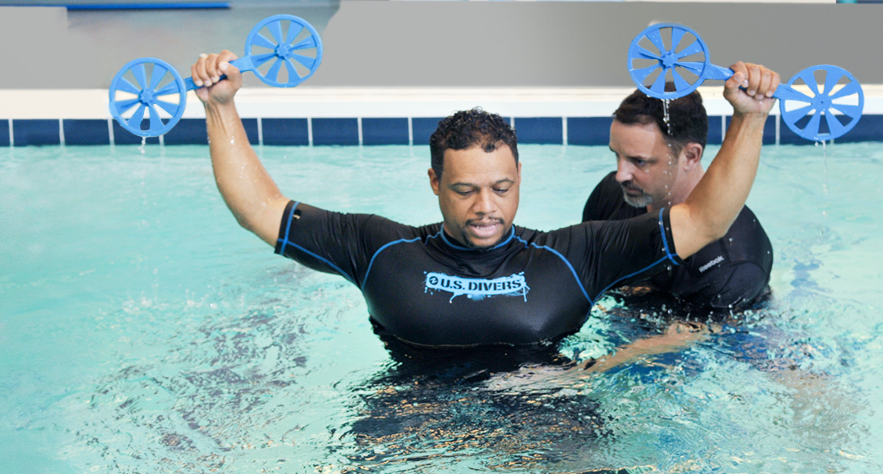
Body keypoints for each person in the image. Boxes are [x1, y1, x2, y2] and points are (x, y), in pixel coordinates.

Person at [189, 49, 780, 348]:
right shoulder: (379, 248)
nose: (485, 209)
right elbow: (258, 209)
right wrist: (220, 108)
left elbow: (706, 219)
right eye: (465, 190)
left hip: (544, 416)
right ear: (434, 182)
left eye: (500, 188)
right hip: (409, 419)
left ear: (520, 176)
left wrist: (749, 119)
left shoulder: (575, 256)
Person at [582, 90, 773, 311]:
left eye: (639, 161)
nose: (620, 175)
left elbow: (688, 334)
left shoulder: (733, 262)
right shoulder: (611, 196)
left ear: (690, 156)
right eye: (617, 155)